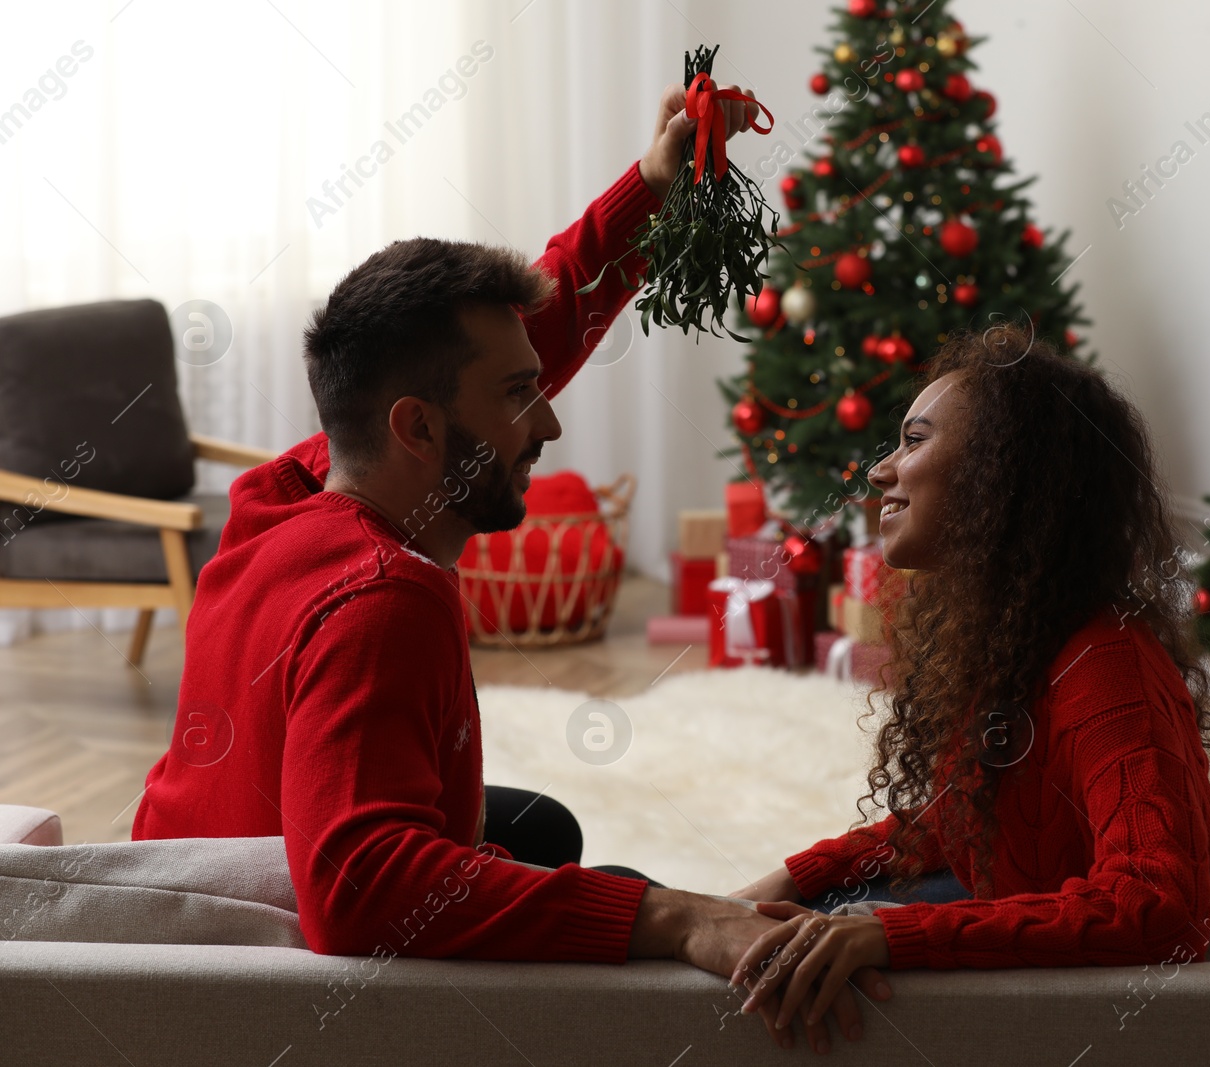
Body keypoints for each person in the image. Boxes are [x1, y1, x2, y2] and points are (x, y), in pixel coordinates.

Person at [132, 81, 886, 1053]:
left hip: (181, 870)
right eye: (521, 395)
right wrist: (675, 913)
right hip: (262, 984)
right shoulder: (384, 597)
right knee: (594, 878)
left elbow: (510, 348)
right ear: (414, 426)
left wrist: (649, 189)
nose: (552, 419)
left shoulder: (276, 504)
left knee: (541, 831)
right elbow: (362, 884)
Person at [730, 324, 1210, 1032]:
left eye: (915, 440)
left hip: (1180, 1011)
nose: (880, 470)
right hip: (1043, 904)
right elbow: (966, 822)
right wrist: (797, 875)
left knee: (830, 947)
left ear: (1003, 472)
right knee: (800, 923)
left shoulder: (1106, 664)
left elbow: (1158, 908)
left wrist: (892, 933)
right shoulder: (1009, 638)